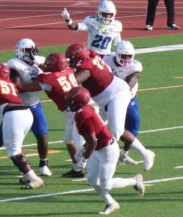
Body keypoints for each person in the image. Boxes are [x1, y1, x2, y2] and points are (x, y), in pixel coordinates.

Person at [66, 43, 155, 171]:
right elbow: (91, 53)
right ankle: (89, 154)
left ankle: (146, 154)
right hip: (101, 99)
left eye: (72, 58)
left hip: (117, 94)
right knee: (96, 128)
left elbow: (72, 81)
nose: (71, 61)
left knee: (116, 131)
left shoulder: (87, 67)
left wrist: (58, 76)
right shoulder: (94, 56)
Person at [0, 39, 52, 176]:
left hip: (34, 104)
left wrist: (41, 66)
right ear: (20, 51)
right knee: (2, 136)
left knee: (42, 134)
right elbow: (18, 86)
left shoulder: (39, 60)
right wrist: (40, 85)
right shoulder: (14, 64)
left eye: (31, 50)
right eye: (27, 50)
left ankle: (43, 164)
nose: (30, 53)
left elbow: (52, 74)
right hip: (16, 105)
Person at [67, 86, 144, 215]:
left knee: (106, 184)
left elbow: (93, 141)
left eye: (71, 101)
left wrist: (83, 160)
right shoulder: (83, 111)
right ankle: (111, 203)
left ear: (78, 102)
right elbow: (92, 138)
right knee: (92, 179)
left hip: (108, 151)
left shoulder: (84, 115)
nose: (69, 104)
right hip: (98, 149)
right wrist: (82, 151)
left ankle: (134, 181)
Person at [0, 63, 44, 189]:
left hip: (13, 114)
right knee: (17, 148)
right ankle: (27, 174)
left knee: (14, 152)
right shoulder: (10, 84)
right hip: (26, 113)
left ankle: (34, 178)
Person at [19, 52, 85, 178]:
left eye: (48, 64)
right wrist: (39, 64)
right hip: (76, 109)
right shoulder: (68, 71)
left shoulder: (48, 80)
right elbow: (53, 72)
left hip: (77, 113)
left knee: (82, 144)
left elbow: (24, 88)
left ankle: (95, 165)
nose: (46, 65)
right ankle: (77, 168)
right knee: (68, 139)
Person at [102, 41, 146, 166]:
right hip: (109, 97)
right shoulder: (106, 60)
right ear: (116, 53)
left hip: (128, 97)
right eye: (123, 56)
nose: (126, 59)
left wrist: (121, 92)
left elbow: (129, 83)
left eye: (129, 56)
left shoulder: (135, 66)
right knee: (110, 127)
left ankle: (124, 153)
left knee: (134, 124)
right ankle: (102, 153)